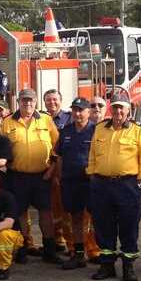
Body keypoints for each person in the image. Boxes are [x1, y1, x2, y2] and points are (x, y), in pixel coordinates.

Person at [86, 100, 141, 281]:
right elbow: (92, 154)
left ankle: (128, 266)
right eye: (114, 107)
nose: (117, 111)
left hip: (128, 185)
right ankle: (106, 265)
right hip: (102, 185)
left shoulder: (138, 130)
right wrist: (91, 174)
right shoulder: (100, 129)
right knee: (103, 225)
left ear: (128, 110)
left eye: (121, 108)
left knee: (128, 226)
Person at [1, 88, 60, 263]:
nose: (28, 103)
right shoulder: (7, 122)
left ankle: (50, 250)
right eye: (24, 100)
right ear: (18, 102)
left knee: (46, 213)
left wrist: (52, 170)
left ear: (36, 102)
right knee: (20, 214)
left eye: (31, 100)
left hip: (42, 176)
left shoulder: (46, 120)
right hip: (17, 176)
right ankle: (23, 248)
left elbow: (58, 147)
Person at [54, 98, 100, 270]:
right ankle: (78, 254)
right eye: (75, 110)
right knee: (76, 218)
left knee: (97, 219)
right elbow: (59, 156)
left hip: (91, 182)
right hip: (70, 182)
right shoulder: (65, 131)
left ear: (89, 112)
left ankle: (99, 252)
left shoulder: (96, 131)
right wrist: (59, 177)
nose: (77, 113)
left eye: (81, 110)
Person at [43, 88, 73, 256]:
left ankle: (70, 244)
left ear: (61, 101)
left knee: (65, 209)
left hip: (61, 170)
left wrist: (57, 172)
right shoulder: (40, 119)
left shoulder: (69, 119)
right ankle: (57, 240)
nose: (52, 102)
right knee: (51, 209)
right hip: (46, 170)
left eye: (55, 99)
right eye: (48, 100)